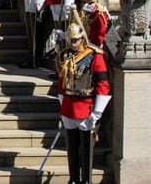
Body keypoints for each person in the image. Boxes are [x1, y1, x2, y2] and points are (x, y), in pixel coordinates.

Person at [55, 21, 111, 184]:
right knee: (71, 147)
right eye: (71, 40)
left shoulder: (94, 55)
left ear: (82, 38)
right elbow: (62, 82)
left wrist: (98, 111)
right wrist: (62, 103)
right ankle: (73, 178)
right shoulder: (64, 55)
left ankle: (86, 179)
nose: (73, 43)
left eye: (76, 40)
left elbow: (102, 83)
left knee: (86, 149)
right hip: (69, 105)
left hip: (86, 106)